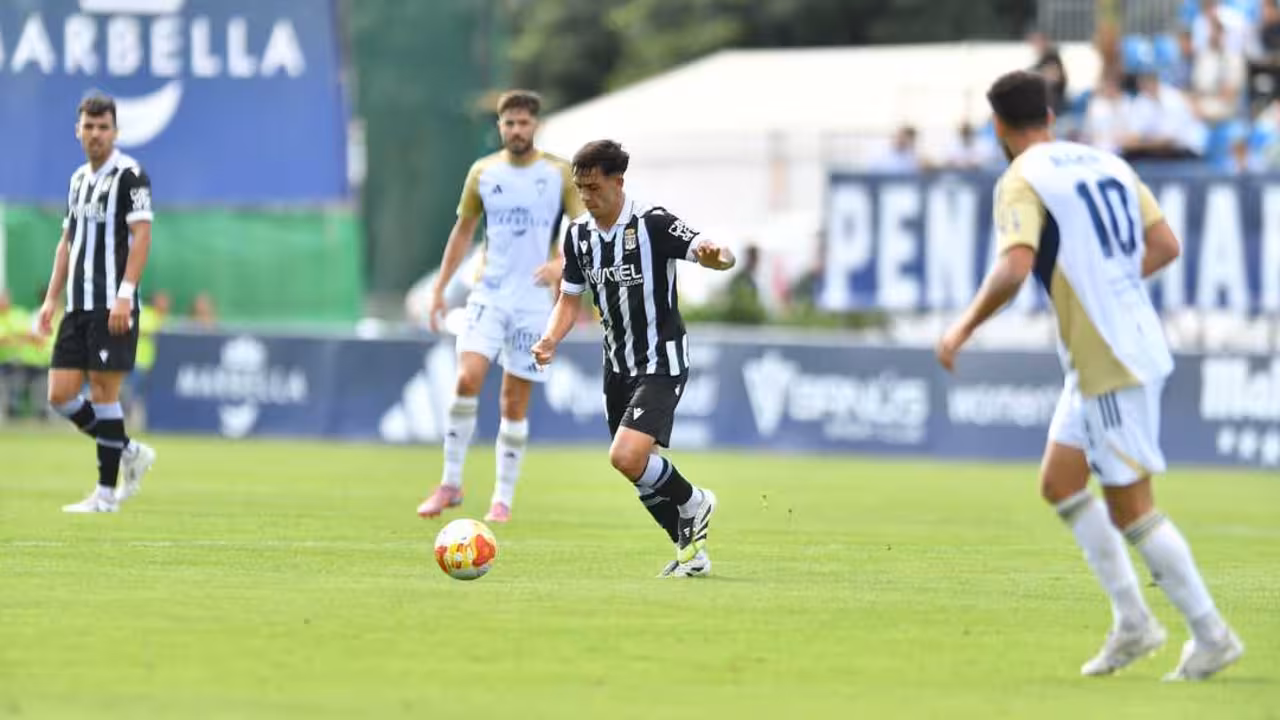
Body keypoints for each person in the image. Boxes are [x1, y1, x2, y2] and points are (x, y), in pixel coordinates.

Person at [936, 70, 1243, 681]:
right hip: (1116, 345)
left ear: (998, 127)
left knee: (1133, 508)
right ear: (1050, 117)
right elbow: (1166, 245)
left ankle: (1212, 634)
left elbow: (1014, 266)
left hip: (1108, 355)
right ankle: (1133, 622)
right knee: (1060, 481)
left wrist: (961, 328)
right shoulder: (1108, 163)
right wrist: (1111, 282)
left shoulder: (1022, 177)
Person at [530, 140, 736, 577]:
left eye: (594, 187)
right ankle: (693, 555)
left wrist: (718, 258)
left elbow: (711, 250)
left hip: (661, 360)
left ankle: (695, 501)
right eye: (580, 188)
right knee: (637, 469)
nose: (586, 196)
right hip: (617, 366)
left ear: (618, 182)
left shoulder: (651, 223)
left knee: (624, 456)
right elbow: (569, 301)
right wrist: (550, 339)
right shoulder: (579, 235)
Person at [416, 90, 585, 523]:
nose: (516, 130)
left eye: (524, 123)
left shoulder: (559, 173)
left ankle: (502, 499)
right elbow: (462, 232)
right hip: (488, 293)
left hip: (534, 301)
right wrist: (439, 288)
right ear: (500, 126)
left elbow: (585, 232)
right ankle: (450, 483)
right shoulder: (483, 172)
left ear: (536, 126)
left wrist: (561, 265)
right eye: (509, 123)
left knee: (513, 402)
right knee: (467, 378)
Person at [36, 93, 157, 513]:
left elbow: (142, 236)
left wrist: (125, 294)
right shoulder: (77, 180)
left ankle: (105, 495)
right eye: (89, 126)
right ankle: (128, 450)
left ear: (115, 132)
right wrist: (50, 300)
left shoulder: (130, 175)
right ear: (78, 131)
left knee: (105, 393)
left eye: (103, 127)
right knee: (60, 394)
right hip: (78, 305)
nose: (95, 134)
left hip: (111, 305)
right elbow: (67, 243)